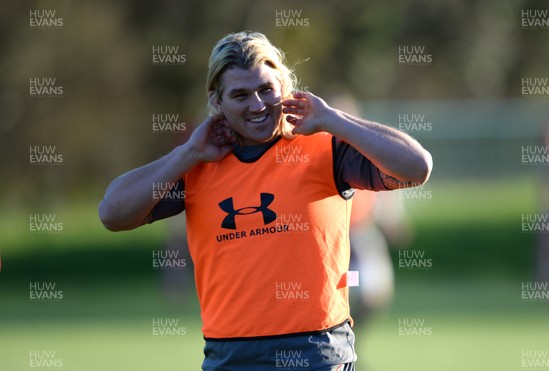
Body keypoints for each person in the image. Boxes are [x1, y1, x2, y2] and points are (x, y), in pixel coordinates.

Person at [98, 31, 432, 370]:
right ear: (217, 101)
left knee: (369, 288)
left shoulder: (326, 150)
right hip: (230, 357)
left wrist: (333, 119)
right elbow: (112, 213)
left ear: (283, 88)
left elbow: (416, 167)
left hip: (317, 353)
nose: (257, 105)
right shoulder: (197, 166)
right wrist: (189, 153)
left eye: (266, 90)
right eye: (240, 94)